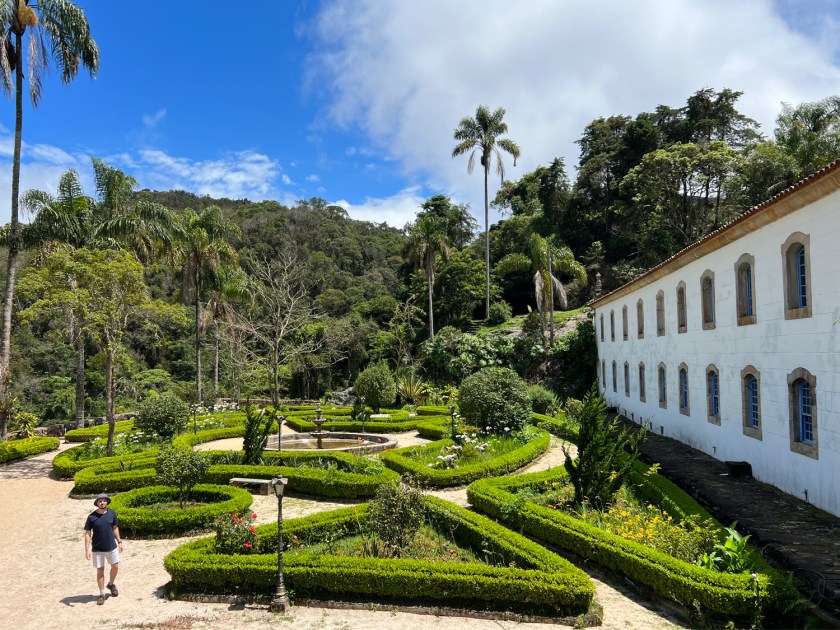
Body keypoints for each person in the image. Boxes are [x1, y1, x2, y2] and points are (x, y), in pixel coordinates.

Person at [84, 493, 123, 605]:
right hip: (97, 548)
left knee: (115, 567)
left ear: (107, 502)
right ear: (97, 503)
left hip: (111, 546)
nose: (102, 502)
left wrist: (119, 541)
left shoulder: (112, 513)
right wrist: (87, 549)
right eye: (100, 501)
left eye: (104, 500)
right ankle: (102, 594)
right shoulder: (91, 517)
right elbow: (87, 533)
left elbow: (115, 528)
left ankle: (111, 584)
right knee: (100, 570)